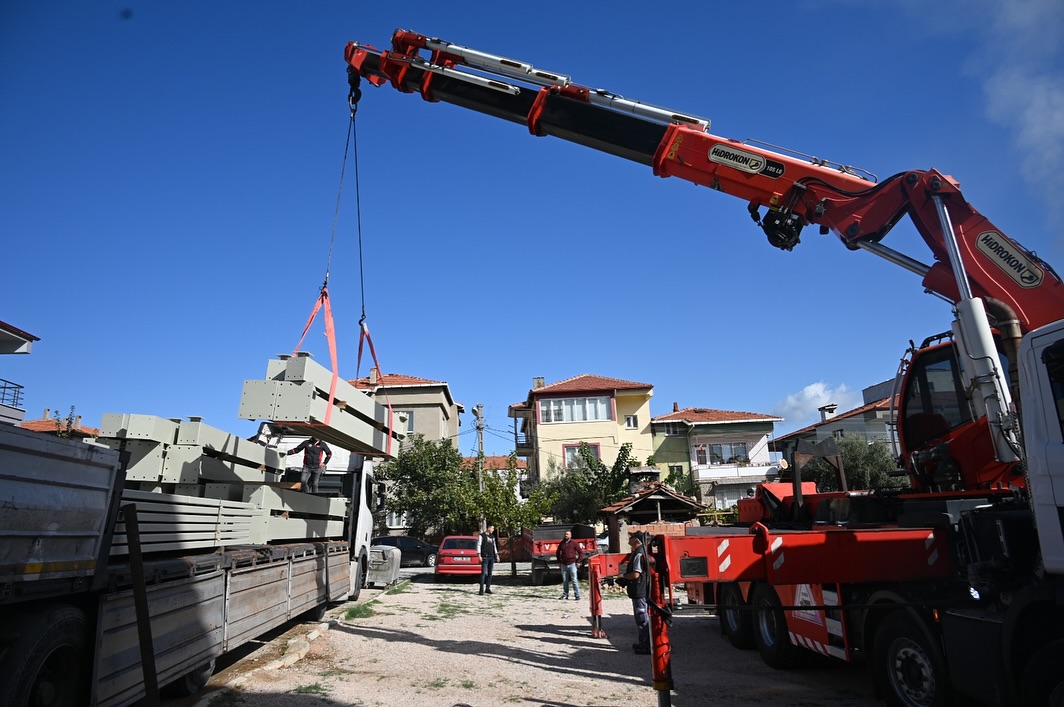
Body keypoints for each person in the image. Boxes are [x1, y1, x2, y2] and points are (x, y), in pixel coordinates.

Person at [620, 533, 651, 654]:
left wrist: (623, 576)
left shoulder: (638, 554)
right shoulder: (640, 552)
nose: (629, 539)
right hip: (640, 589)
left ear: (636, 540)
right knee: (641, 618)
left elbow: (636, 574)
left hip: (639, 590)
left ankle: (646, 646)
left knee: (642, 618)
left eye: (631, 537)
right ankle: (643, 643)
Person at [555, 529, 584, 600]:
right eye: (565, 534)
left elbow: (580, 552)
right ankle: (565, 595)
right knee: (565, 581)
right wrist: (559, 562)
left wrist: (578, 562)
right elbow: (558, 552)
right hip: (564, 564)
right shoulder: (561, 543)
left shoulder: (574, 543)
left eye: (567, 534)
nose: (566, 535)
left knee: (574, 580)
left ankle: (577, 595)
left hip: (572, 564)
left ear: (570, 535)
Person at [476, 523, 499, 595]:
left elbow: (494, 546)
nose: (493, 530)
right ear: (488, 528)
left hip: (491, 557)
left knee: (490, 573)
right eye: (492, 528)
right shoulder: (482, 536)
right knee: (483, 573)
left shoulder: (492, 537)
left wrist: (496, 555)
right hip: (485, 557)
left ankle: (488, 588)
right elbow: (479, 545)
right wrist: (479, 555)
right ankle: (481, 589)